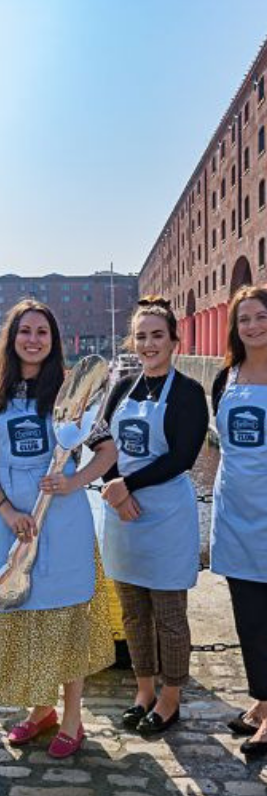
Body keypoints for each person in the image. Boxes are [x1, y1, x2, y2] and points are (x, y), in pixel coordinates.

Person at [0, 299, 116, 759]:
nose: (33, 339)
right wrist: (6, 509)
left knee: (65, 617)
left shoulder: (71, 394)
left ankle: (73, 715)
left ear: (54, 342)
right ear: (11, 339)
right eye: (25, 331)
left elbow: (107, 452)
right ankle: (40, 710)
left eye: (42, 332)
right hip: (15, 523)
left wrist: (74, 480)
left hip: (64, 523)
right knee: (26, 614)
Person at [99, 296, 208, 735]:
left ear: (173, 341)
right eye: (141, 336)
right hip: (123, 515)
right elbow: (101, 441)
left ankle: (170, 697)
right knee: (133, 614)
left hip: (165, 515)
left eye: (157, 336)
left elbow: (182, 456)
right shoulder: (122, 389)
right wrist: (115, 487)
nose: (148, 344)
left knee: (169, 614)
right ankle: (143, 689)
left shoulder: (188, 393)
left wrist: (129, 486)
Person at [210, 285, 267, 758]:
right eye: (244, 319)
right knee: (248, 616)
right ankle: (262, 700)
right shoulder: (226, 376)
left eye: (261, 317)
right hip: (235, 510)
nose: (252, 326)